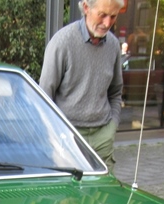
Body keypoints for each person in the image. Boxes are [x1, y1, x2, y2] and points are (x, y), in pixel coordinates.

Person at [39, 0, 124, 172]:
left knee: (104, 189)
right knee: (67, 190)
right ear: (86, 8)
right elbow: (44, 97)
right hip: (67, 136)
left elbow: (115, 92)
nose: (107, 23)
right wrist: (55, 135)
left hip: (102, 136)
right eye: (102, 15)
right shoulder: (62, 42)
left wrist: (112, 127)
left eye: (113, 16)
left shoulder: (113, 45)